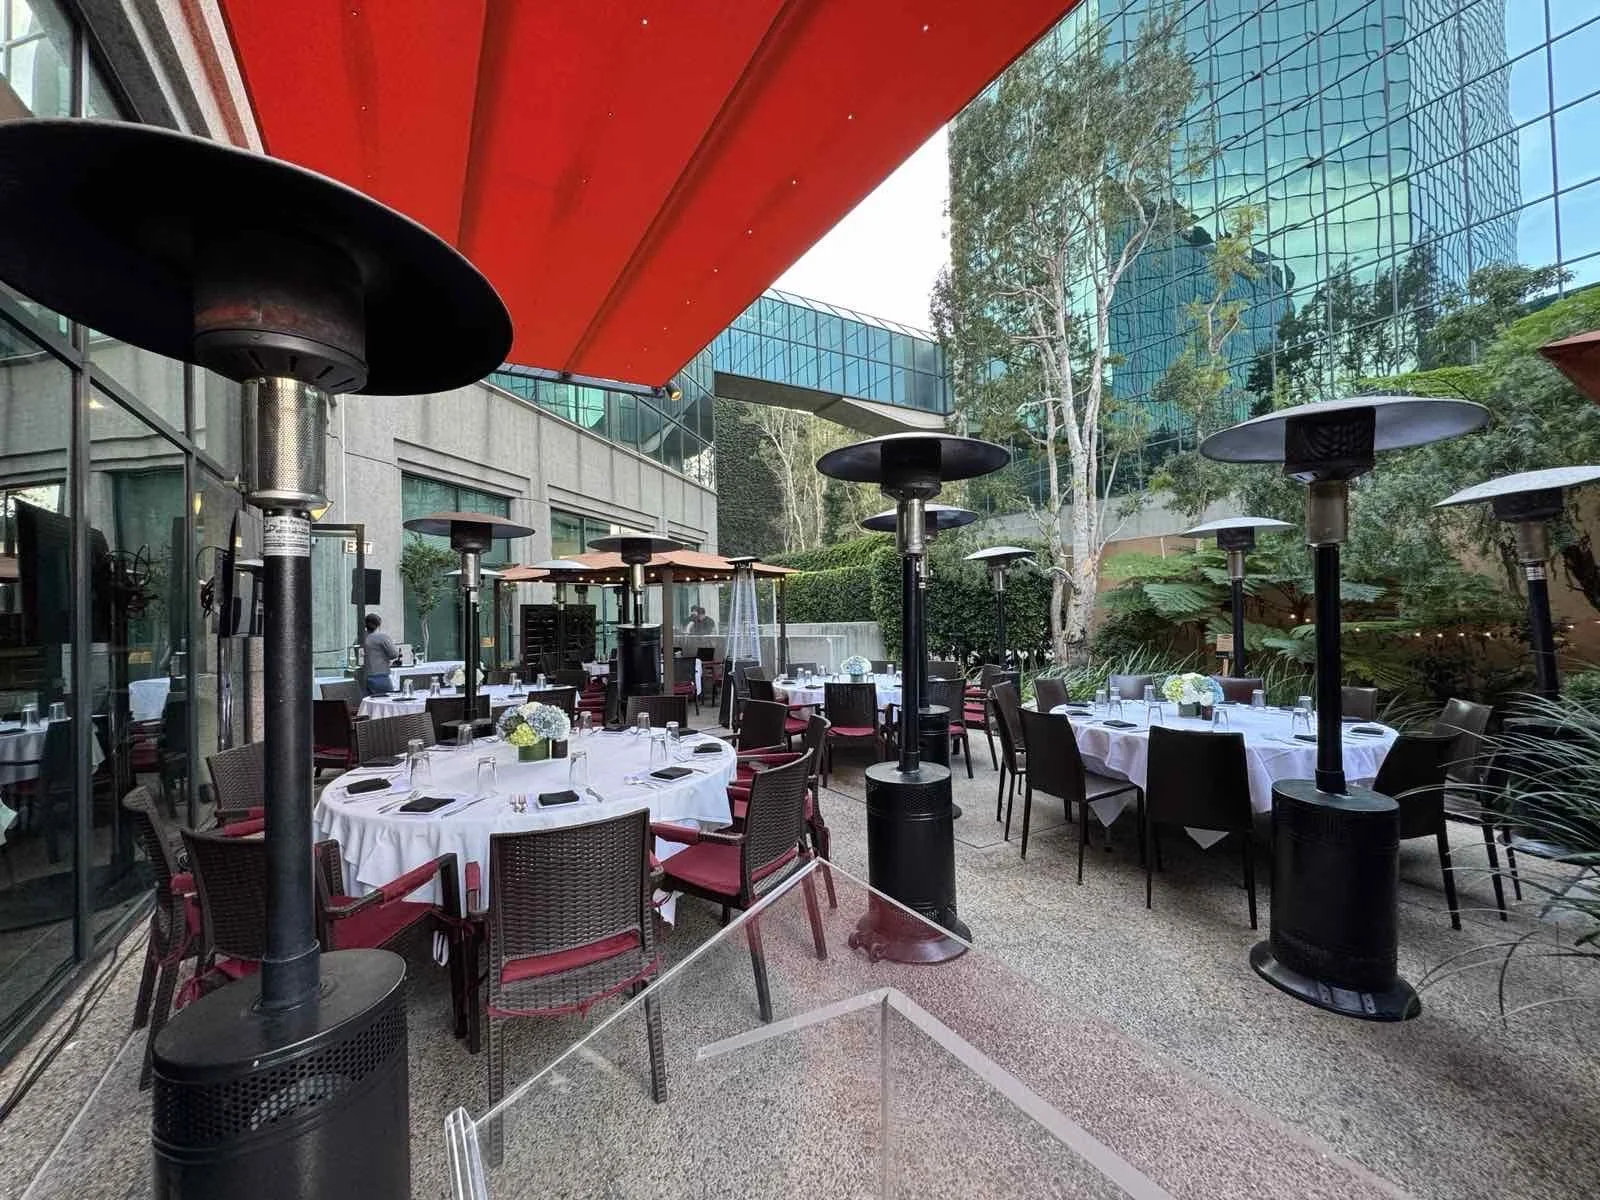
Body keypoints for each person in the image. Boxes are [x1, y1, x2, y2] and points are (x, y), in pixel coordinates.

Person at [361, 612, 399, 695]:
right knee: (388, 701)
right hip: (380, 676)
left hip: (364, 677)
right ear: (378, 624)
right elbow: (394, 654)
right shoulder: (382, 637)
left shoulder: (359, 638)